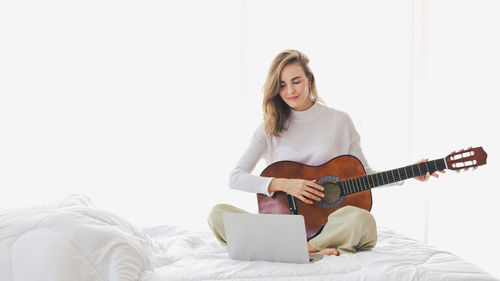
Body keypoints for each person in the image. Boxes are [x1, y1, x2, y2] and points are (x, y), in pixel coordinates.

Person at [208, 49, 443, 256]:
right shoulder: (269, 128)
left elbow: (365, 174)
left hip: (327, 226)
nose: (289, 90)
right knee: (217, 214)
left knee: (361, 220)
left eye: (296, 81)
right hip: (281, 227)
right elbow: (236, 177)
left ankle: (307, 248)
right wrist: (285, 184)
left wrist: (410, 173)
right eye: (281, 84)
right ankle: (301, 247)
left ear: (310, 79)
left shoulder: (339, 121)